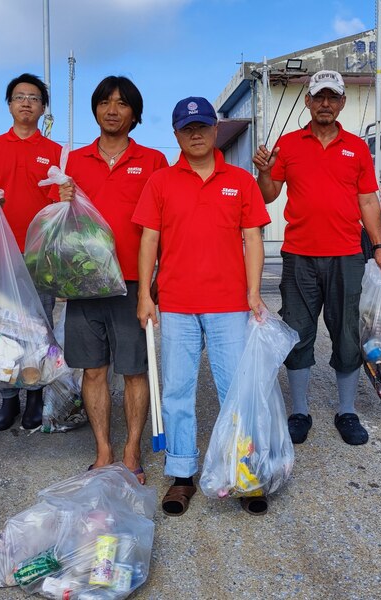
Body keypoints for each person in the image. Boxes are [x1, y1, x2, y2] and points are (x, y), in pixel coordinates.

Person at [133, 97, 270, 516]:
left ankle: (243, 470)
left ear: (215, 131)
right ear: (176, 134)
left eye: (203, 127)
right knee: (177, 391)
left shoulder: (242, 181)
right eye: (187, 128)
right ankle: (181, 474)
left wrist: (253, 292)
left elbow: (253, 240)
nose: (195, 134)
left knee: (234, 392)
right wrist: (144, 295)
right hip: (176, 304)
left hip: (229, 304)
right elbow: (149, 240)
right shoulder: (161, 182)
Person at [252, 70, 381, 446]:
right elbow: (267, 195)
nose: (325, 103)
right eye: (319, 97)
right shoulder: (288, 145)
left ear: (342, 102)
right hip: (299, 256)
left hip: (346, 255)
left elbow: (367, 200)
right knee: (297, 332)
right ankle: (300, 412)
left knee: (347, 334)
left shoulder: (357, 148)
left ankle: (347, 411)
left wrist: (378, 246)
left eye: (333, 97)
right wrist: (264, 173)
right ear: (308, 102)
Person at [56, 76, 168, 484]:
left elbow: (164, 224)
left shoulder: (154, 161)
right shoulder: (74, 161)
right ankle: (103, 450)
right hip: (85, 284)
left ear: (134, 113)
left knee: (135, 370)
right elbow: (60, 227)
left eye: (122, 103)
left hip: (133, 285)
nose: (112, 110)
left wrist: (156, 283)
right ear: (96, 110)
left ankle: (132, 448)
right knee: (94, 371)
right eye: (104, 102)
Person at [0, 73, 62, 432]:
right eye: (19, 96)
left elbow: (59, 206)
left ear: (43, 108)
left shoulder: (55, 153)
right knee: (0, 328)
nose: (26, 102)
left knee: (39, 328)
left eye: (34, 98)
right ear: (9, 104)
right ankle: (8, 398)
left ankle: (36, 394)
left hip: (40, 257)